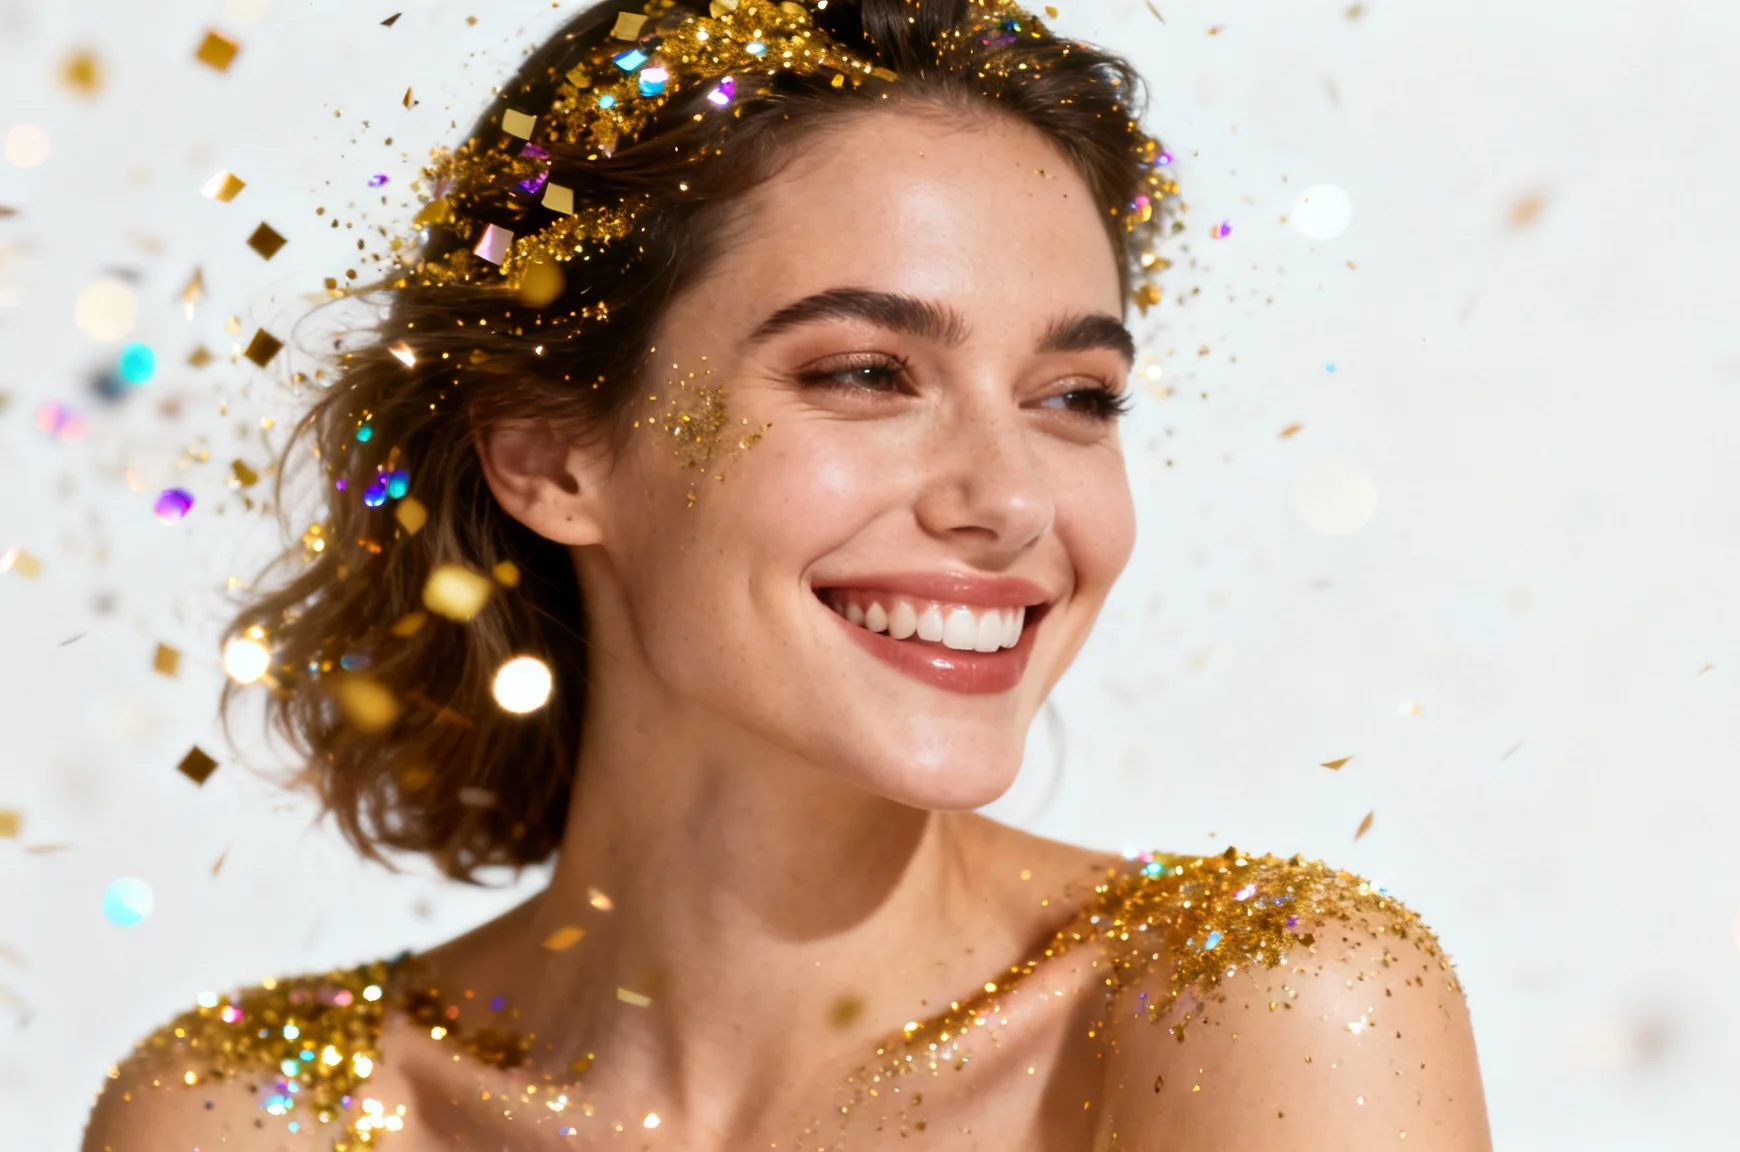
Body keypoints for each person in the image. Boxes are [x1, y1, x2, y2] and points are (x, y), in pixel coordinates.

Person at [84, 1, 1489, 1147]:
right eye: (868, 374)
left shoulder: (1266, 1010)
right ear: (552, 456)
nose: (1007, 502)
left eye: (1075, 397)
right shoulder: (260, 1118)